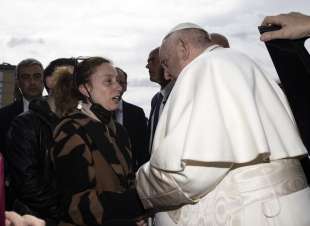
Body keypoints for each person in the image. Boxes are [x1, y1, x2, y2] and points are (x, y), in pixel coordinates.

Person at [136, 23, 310, 226]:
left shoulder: (205, 68)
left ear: (183, 48)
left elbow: (188, 174)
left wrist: (141, 185)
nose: (166, 74)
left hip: (254, 214)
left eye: (165, 63)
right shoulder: (240, 61)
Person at [50, 57, 146, 226]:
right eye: (108, 81)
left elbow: (129, 182)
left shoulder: (120, 131)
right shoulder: (70, 130)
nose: (118, 87)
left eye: (118, 81)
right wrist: (140, 202)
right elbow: (76, 205)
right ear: (85, 89)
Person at [6, 66, 76, 226]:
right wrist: (65, 212)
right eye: (69, 82)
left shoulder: (73, 121)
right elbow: (27, 182)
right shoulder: (25, 123)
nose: (77, 89)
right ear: (51, 82)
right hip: (36, 217)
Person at [0, 58, 44, 154]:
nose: (32, 82)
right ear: (18, 83)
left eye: (36, 76)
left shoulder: (58, 113)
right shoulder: (3, 116)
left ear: (43, 80)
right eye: (26, 77)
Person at [114, 67, 149, 171]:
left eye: (122, 83)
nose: (118, 86)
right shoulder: (92, 113)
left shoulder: (136, 113)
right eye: (114, 82)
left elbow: (143, 150)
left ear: (126, 86)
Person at [145, 47, 174, 153]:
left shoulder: (181, 95)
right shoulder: (156, 100)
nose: (147, 66)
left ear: (166, 63)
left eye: (152, 60)